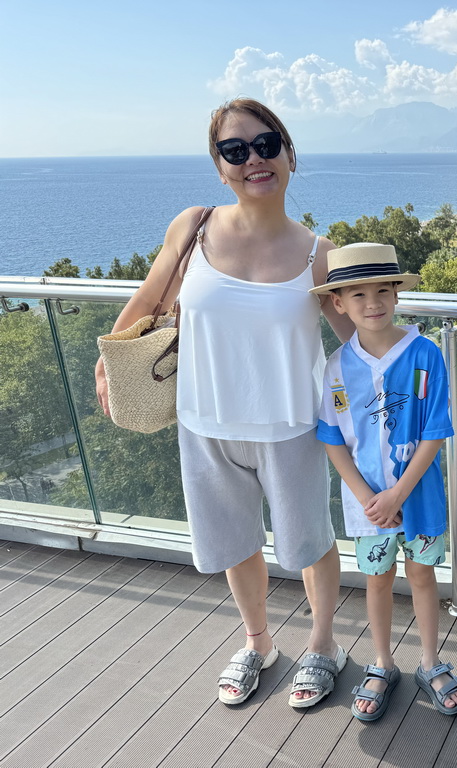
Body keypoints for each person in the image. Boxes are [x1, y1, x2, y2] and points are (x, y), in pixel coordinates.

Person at [95, 99, 354, 709]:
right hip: (205, 421)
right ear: (219, 166)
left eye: (266, 145)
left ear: (290, 154)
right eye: (234, 151)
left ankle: (322, 646)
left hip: (291, 424)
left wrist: (408, 370)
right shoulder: (192, 229)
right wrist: (107, 362)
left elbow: (358, 340)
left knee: (311, 541)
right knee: (236, 543)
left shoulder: (319, 253)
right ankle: (259, 642)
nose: (253, 160)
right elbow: (148, 301)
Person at [311, 242, 457, 721]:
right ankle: (382, 664)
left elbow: (435, 431)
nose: (373, 302)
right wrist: (367, 498)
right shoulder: (337, 368)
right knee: (375, 581)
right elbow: (332, 438)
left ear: (398, 294)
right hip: (366, 507)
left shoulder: (425, 355)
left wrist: (397, 493)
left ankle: (429, 661)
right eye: (357, 294)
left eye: (384, 290)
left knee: (423, 576)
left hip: (419, 500)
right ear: (339, 303)